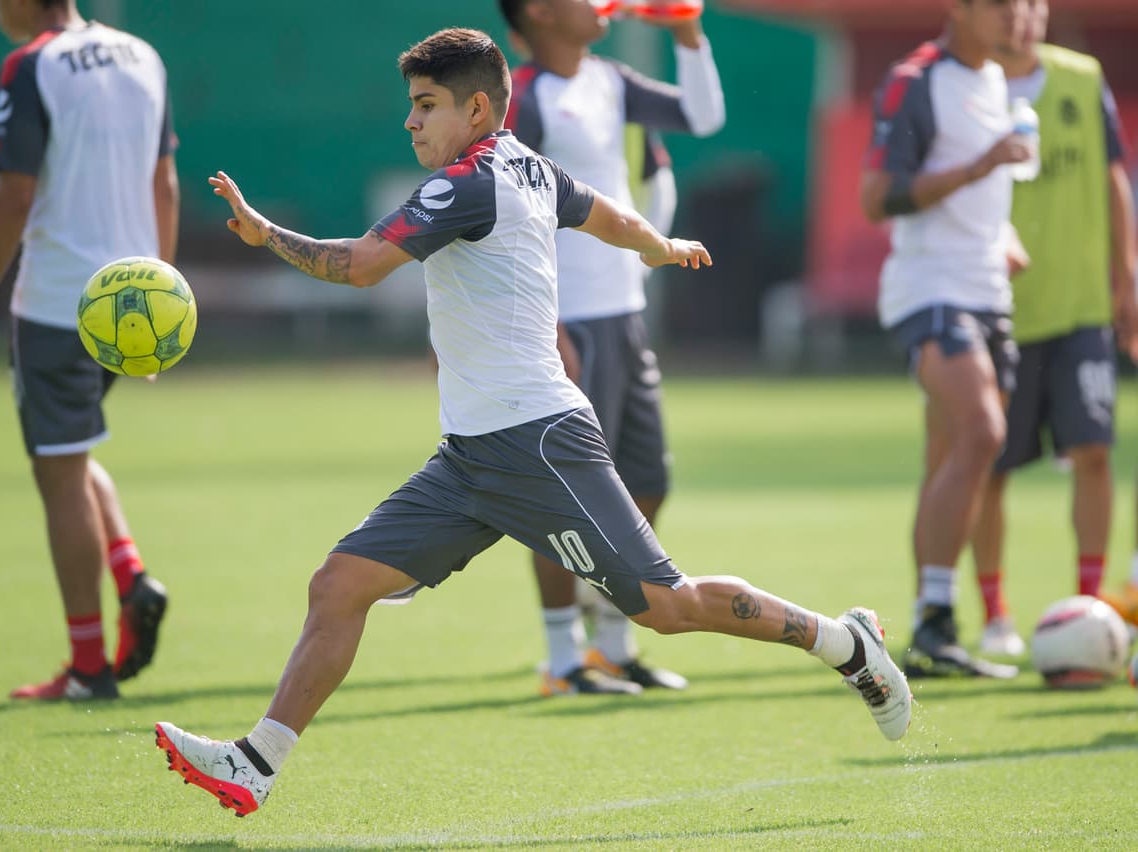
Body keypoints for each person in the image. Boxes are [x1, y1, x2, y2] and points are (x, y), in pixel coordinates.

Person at [153, 27, 910, 818]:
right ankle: (256, 762)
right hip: (471, 459)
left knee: (670, 608)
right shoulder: (531, 167)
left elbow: (360, 266)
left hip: (540, 444)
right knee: (339, 585)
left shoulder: (466, 183)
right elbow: (605, 212)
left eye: (425, 106)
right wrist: (659, 244)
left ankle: (846, 642)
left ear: (477, 108)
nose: (410, 123)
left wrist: (264, 233)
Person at [0, 0, 177, 700]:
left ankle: (87, 668)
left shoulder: (31, 63)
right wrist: (163, 305)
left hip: (58, 303)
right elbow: (163, 185)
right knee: (72, 454)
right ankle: (130, 575)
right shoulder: (142, 55)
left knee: (58, 472)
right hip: (133, 302)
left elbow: (15, 197)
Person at [499, 0, 726, 696]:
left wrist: (688, 32)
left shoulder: (610, 79)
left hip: (625, 316)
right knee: (564, 497)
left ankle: (614, 646)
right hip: (568, 323)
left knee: (647, 483)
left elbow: (702, 116)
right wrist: (549, 323)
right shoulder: (527, 97)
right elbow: (507, 211)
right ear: (538, 12)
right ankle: (562, 660)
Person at [860, 0, 1034, 678]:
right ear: (958, 8)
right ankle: (938, 621)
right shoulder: (917, 79)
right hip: (931, 292)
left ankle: (931, 624)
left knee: (951, 457)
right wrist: (982, 164)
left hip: (990, 294)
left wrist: (1003, 237)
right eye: (1002, 5)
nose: (1017, 16)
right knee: (985, 433)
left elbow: (983, 197)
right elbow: (877, 197)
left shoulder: (997, 78)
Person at [969, 0, 1138, 654]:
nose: (1026, 17)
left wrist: (1125, 278)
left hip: (1080, 306)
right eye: (1013, 6)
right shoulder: (967, 89)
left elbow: (1113, 179)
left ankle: (1091, 604)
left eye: (1036, 4)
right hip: (1000, 309)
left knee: (1093, 451)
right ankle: (994, 613)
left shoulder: (1082, 78)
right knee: (993, 465)